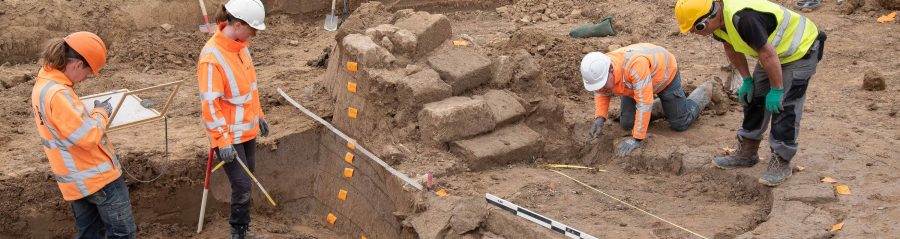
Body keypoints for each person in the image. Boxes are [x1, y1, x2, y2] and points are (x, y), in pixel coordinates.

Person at [675, 0, 825, 186]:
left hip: (800, 50)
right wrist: (747, 80)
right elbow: (731, 47)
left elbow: (767, 53)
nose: (694, 33)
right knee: (755, 97)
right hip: (772, 53)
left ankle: (782, 160)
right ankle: (747, 152)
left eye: (695, 28)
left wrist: (777, 90)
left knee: (784, 105)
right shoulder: (719, 23)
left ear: (707, 18)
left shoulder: (744, 18)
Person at [31, 32, 137, 238]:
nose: (86, 77)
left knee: (89, 234)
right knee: (123, 234)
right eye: (88, 72)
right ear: (78, 64)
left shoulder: (44, 83)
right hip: (97, 178)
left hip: (75, 182)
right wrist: (101, 112)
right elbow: (87, 137)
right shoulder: (59, 94)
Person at [196, 0, 269, 238]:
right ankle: (238, 231)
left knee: (247, 182)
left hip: (247, 130)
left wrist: (259, 115)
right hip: (228, 136)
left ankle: (242, 227)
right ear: (237, 24)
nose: (254, 35)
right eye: (252, 29)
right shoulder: (211, 58)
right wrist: (222, 140)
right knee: (243, 185)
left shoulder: (241, 47)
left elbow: (251, 88)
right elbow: (210, 105)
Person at [581, 43, 713, 157]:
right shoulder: (601, 67)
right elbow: (601, 93)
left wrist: (637, 138)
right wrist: (600, 118)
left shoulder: (634, 66)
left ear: (611, 70)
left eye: (603, 83)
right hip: (635, 86)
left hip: (665, 75)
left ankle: (705, 90)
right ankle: (665, 105)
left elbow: (644, 103)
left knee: (680, 123)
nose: (601, 88)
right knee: (627, 124)